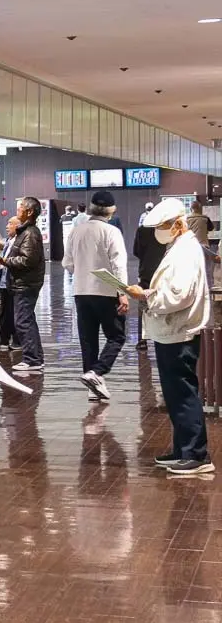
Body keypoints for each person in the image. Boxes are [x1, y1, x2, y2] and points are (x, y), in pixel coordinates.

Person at [127, 199, 213, 474]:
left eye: (162, 226)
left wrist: (147, 297)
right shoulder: (178, 247)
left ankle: (196, 455)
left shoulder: (186, 251)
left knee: (184, 393)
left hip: (179, 332)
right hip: (170, 331)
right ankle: (183, 450)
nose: (158, 233)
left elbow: (180, 294)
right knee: (175, 394)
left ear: (178, 223)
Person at [63, 191, 129, 402]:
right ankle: (97, 372)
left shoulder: (76, 231)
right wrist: (123, 293)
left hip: (81, 292)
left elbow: (67, 264)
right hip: (107, 292)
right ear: (112, 210)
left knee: (88, 340)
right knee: (117, 336)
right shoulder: (112, 232)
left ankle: (92, 388)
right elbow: (118, 265)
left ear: (91, 208)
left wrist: (82, 272)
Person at [0, 196, 46, 373]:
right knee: (27, 320)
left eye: (21, 208)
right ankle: (35, 357)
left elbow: (28, 260)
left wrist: (5, 261)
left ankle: (32, 360)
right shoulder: (25, 231)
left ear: (30, 212)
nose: (17, 211)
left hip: (26, 284)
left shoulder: (30, 233)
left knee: (23, 321)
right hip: (22, 283)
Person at [133, 214, 167, 350]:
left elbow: (136, 252)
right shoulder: (166, 231)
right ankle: (163, 337)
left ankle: (142, 340)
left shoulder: (142, 230)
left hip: (146, 272)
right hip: (164, 271)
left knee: (143, 305)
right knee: (164, 304)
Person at [0, 217, 21, 352]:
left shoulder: (20, 241)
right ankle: (3, 339)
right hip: (4, 282)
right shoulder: (9, 241)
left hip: (13, 283)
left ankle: (17, 340)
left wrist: (5, 261)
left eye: (10, 224)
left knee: (14, 313)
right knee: (3, 313)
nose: (7, 226)